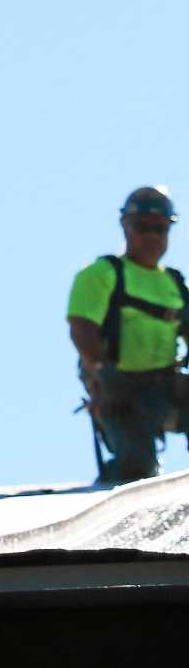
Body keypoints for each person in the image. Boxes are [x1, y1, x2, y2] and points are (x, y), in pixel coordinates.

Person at [68, 186, 189, 483]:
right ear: (126, 227)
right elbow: (82, 327)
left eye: (160, 229)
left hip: (166, 385)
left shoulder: (174, 283)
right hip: (120, 387)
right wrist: (100, 372)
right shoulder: (102, 273)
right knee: (136, 472)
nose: (152, 236)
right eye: (143, 227)